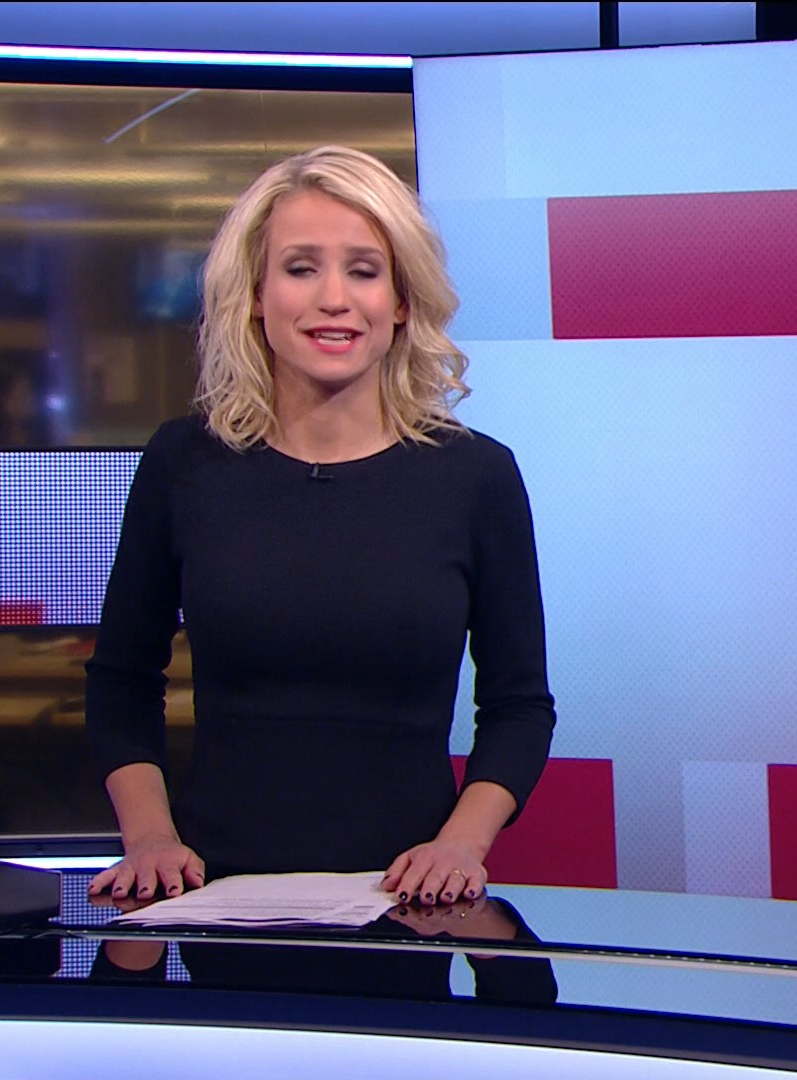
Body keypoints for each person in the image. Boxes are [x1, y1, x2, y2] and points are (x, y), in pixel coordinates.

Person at [83, 145, 555, 916]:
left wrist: (461, 845)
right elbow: (122, 681)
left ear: (400, 301)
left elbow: (519, 705)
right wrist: (150, 839)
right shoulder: (183, 463)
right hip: (212, 898)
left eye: (364, 271)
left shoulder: (476, 476)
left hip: (407, 904)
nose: (334, 298)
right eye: (301, 268)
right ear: (256, 295)